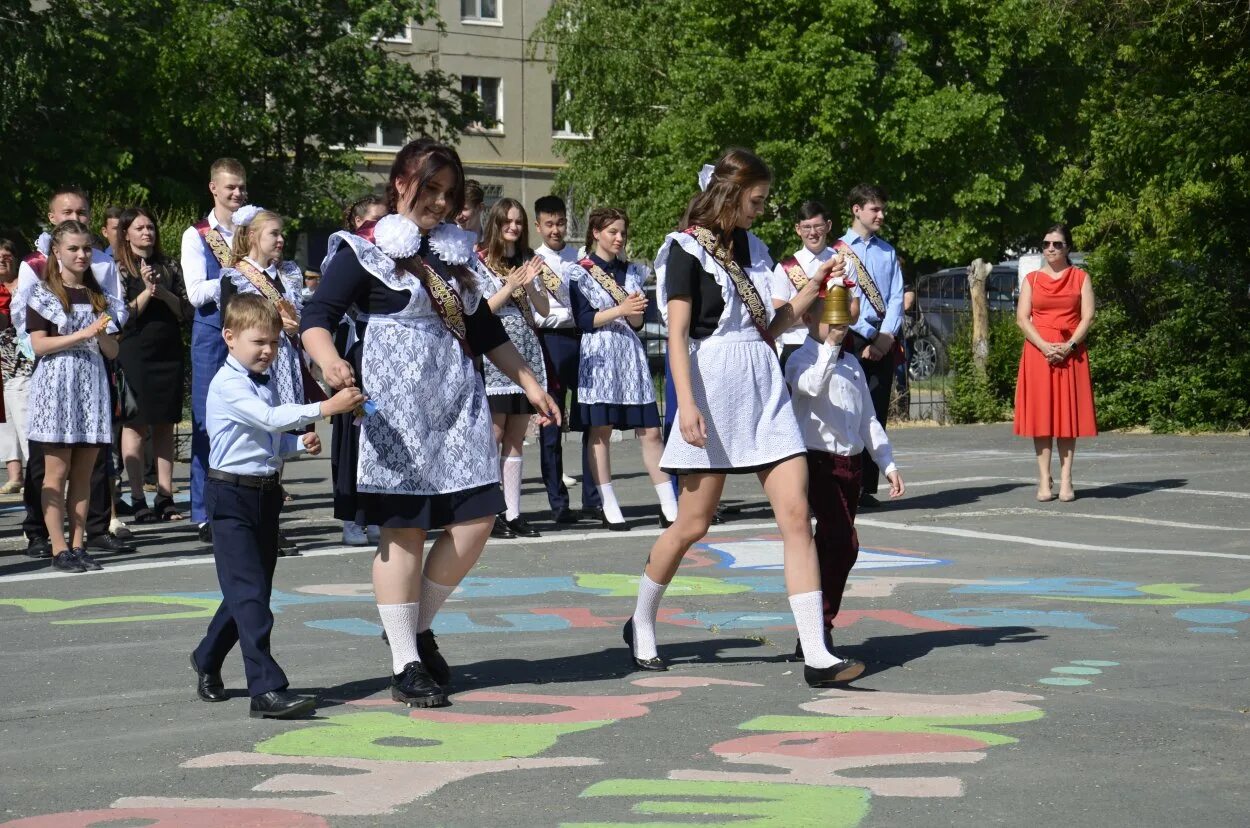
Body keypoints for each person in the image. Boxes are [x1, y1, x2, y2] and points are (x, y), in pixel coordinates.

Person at [301, 138, 559, 708]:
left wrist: (532, 385)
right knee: (406, 532)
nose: (441, 203)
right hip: (394, 412)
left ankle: (414, 625)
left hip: (455, 404)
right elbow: (316, 318)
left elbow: (483, 332)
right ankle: (404, 662)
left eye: (449, 193)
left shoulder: (453, 254)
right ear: (401, 184)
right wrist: (330, 360)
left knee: (478, 518)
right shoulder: (362, 249)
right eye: (431, 189)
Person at [630, 148, 863, 687]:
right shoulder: (685, 249)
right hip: (710, 388)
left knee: (795, 516)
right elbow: (678, 335)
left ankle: (816, 653)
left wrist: (814, 285)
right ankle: (641, 618)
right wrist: (684, 404)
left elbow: (772, 327)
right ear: (732, 195)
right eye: (756, 200)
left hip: (763, 386)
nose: (761, 210)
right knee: (692, 523)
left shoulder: (756, 249)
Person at [190, 293, 363, 718]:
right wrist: (326, 407)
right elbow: (268, 419)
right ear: (229, 338)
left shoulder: (258, 382)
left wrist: (296, 444)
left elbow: (264, 438)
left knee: (250, 591)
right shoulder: (229, 384)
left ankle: (207, 656)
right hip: (230, 494)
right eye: (257, 342)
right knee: (250, 595)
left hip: (264, 494)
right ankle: (265, 690)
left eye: (272, 342)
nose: (267, 350)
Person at [15, 188, 132, 559]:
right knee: (56, 472)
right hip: (56, 383)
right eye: (73, 250)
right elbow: (38, 345)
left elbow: (113, 349)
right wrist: (80, 335)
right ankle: (58, 546)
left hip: (91, 383)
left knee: (84, 473)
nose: (81, 256)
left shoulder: (99, 296)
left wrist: (101, 338)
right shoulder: (45, 294)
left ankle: (80, 543)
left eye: (85, 250)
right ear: (57, 252)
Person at [785, 306, 905, 658]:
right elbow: (810, 386)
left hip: (851, 464)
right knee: (843, 541)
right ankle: (819, 626)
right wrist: (830, 347)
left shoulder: (851, 363)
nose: (836, 324)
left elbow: (868, 418)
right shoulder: (799, 359)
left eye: (840, 318)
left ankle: (814, 629)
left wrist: (887, 463)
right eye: (827, 317)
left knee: (831, 546)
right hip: (817, 460)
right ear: (808, 320)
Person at [567, 207, 675, 530]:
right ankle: (608, 502)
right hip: (598, 354)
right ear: (596, 233)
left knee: (650, 431)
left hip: (629, 355)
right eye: (612, 231)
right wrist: (620, 308)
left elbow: (638, 322)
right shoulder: (579, 272)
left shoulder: (632, 273)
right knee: (600, 431)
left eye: (622, 233)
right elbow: (585, 320)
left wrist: (634, 312)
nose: (619, 238)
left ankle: (669, 504)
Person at [475, 198, 551, 539]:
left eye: (519, 222)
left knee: (517, 439)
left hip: (525, 352)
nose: (514, 227)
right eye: (508, 220)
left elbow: (544, 310)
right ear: (495, 222)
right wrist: (509, 287)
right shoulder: (480, 262)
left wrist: (532, 283)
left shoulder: (524, 260)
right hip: (495, 356)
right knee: (495, 435)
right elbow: (481, 312)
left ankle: (514, 511)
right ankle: (491, 513)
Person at [183, 158, 248, 543]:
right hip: (212, 332)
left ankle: (243, 504)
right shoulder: (198, 235)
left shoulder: (250, 228)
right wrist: (233, 274)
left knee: (250, 419)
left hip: (250, 332)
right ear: (213, 188)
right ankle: (204, 511)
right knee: (208, 422)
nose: (237, 193)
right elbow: (195, 293)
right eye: (230, 188)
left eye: (241, 187)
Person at [114, 207, 194, 523]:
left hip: (167, 352)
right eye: (140, 228)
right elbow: (120, 315)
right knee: (134, 424)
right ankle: (137, 498)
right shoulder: (119, 268)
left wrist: (161, 291)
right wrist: (147, 293)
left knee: (165, 424)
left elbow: (186, 311)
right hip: (134, 353)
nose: (147, 233)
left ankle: (164, 495)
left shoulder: (170, 265)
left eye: (150, 227)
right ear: (126, 233)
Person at [1013, 223, 1096, 502]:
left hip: (1071, 353)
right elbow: (1023, 318)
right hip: (1039, 353)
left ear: (1067, 248)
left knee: (1067, 419)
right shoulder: (1032, 279)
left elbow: (1087, 317)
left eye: (1057, 244)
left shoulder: (1081, 277)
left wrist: (1069, 345)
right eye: (1046, 244)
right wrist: (1045, 346)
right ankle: (1043, 478)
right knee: (1043, 418)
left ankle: (1066, 478)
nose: (1050, 248)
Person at [532, 195, 602, 524]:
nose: (556, 229)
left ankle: (594, 497)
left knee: (591, 419)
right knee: (552, 427)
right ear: (538, 226)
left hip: (583, 341)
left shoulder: (581, 259)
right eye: (549, 224)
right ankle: (558, 504)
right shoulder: (534, 262)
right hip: (551, 342)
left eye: (560, 222)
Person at [840, 184, 905, 508]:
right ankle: (844, 483)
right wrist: (867, 332)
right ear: (857, 210)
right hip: (850, 336)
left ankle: (866, 486)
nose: (881, 215)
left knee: (875, 412)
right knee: (846, 410)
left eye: (882, 209)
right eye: (874, 209)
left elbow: (896, 297)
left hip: (883, 337)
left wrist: (886, 335)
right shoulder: (838, 250)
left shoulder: (888, 252)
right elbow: (837, 297)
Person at [330, 194, 387, 547]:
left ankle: (377, 510)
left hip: (385, 358)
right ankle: (351, 515)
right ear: (357, 224)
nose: (381, 227)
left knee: (379, 432)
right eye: (374, 221)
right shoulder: (347, 256)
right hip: (357, 355)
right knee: (352, 433)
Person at [772, 201, 836, 370]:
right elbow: (778, 315)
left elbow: (852, 311)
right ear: (798, 229)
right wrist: (825, 314)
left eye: (818, 226)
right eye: (806, 227)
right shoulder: (784, 268)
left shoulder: (841, 262)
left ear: (828, 226)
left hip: (833, 345)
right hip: (796, 345)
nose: (813, 233)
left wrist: (801, 314)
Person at [0, 238, 33, 494]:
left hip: (23, 361)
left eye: (7, 254)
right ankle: (15, 475)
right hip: (2, 363)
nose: (2, 259)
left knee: (24, 415)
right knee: (6, 420)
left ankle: (36, 472)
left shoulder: (27, 283)